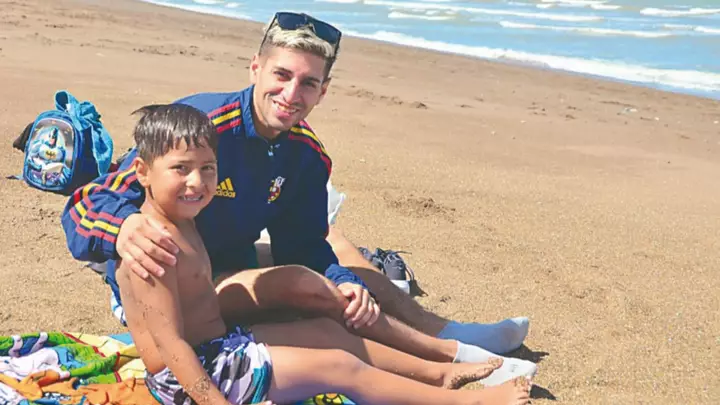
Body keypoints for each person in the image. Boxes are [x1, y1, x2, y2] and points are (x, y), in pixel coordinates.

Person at [61, 11, 535, 381]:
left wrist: (342, 280)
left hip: (234, 262)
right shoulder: (202, 128)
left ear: (323, 91)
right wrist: (123, 226)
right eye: (282, 75)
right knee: (303, 285)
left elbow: (304, 244)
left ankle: (440, 329)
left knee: (339, 252)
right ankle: (450, 352)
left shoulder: (305, 155)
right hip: (176, 289)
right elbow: (84, 205)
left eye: (308, 83)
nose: (291, 94)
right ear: (256, 68)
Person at [117, 103, 532, 405]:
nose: (197, 182)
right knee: (338, 365)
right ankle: (466, 402)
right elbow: (170, 345)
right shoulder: (152, 247)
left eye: (208, 168)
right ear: (142, 172)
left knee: (327, 332)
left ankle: (439, 374)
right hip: (196, 378)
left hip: (219, 346)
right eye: (181, 168)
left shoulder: (181, 220)